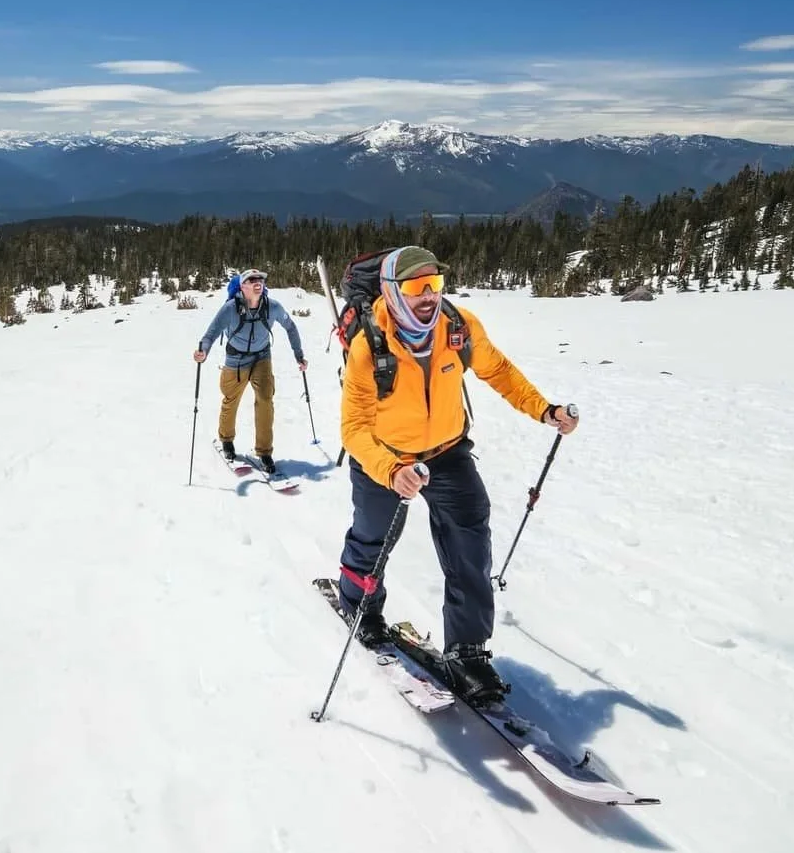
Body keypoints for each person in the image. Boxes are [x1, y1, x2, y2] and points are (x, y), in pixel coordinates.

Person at [334, 245, 578, 706]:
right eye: (415, 287)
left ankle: (467, 651)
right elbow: (354, 428)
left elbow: (499, 371)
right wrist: (392, 470)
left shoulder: (457, 328)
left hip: (447, 451)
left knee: (469, 541)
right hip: (386, 456)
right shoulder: (371, 343)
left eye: (435, 285)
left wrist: (544, 409)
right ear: (392, 290)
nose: (428, 296)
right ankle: (358, 605)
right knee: (373, 537)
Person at [192, 268, 307, 472]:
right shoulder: (230, 308)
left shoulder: (272, 307)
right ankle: (226, 439)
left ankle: (265, 452)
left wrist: (299, 355)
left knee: (265, 399)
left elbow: (290, 326)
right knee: (231, 399)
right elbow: (210, 334)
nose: (257, 282)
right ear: (242, 286)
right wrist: (204, 352)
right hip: (235, 359)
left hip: (262, 357)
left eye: (260, 279)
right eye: (251, 279)